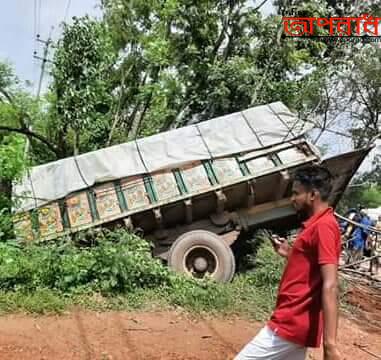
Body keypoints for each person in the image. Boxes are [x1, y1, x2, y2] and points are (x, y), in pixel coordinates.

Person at [235, 165, 341, 360]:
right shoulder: (316, 224)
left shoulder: (324, 227)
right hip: (297, 324)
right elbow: (310, 266)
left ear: (313, 195)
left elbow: (331, 284)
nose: (292, 199)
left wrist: (330, 344)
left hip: (291, 321)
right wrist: (288, 252)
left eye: (296, 193)